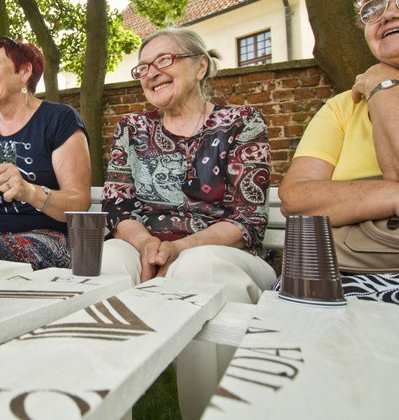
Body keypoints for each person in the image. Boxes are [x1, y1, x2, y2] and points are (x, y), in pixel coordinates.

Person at [100, 27, 274, 419]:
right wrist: (146, 243)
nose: (151, 72)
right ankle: (106, 409)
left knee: (200, 268)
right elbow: (117, 206)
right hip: (146, 247)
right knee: (107, 259)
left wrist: (179, 250)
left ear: (200, 67)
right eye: (143, 67)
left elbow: (247, 219)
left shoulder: (241, 122)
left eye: (165, 60)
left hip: (224, 253)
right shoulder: (132, 129)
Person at [279, 0, 399, 324]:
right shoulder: (344, 106)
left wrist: (383, 82)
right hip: (338, 273)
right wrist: (395, 196)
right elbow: (296, 198)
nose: (388, 15)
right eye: (376, 10)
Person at [0, 37, 91, 269]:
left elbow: (80, 203)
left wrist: (28, 191)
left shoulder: (58, 119)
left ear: (24, 72)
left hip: (48, 238)